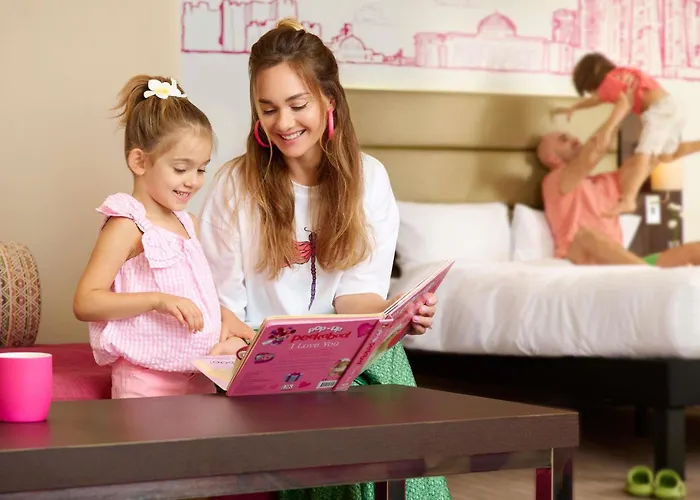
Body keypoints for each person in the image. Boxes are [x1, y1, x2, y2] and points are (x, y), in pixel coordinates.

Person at [198, 17, 452, 500]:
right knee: (343, 431)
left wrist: (397, 316)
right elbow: (222, 306)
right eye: (268, 109)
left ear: (329, 100)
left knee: (379, 396)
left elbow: (357, 300)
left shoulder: (368, 180)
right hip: (262, 363)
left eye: (298, 105)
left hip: (344, 362)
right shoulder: (235, 185)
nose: (283, 123)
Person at [73, 75, 247, 399]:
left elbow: (195, 293)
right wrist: (157, 301)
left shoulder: (188, 224)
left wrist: (223, 316)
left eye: (201, 169)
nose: (193, 181)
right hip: (145, 383)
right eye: (181, 169)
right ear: (140, 161)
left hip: (198, 377)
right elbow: (86, 302)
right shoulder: (127, 224)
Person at [536, 123, 700, 267]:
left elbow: (659, 155)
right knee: (586, 236)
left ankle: (644, 274)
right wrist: (618, 112)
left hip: (620, 265)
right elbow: (592, 154)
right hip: (578, 258)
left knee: (695, 250)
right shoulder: (553, 181)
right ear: (553, 158)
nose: (574, 139)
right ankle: (647, 275)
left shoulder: (606, 182)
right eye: (564, 140)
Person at [552, 52, 686, 217]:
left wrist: (607, 129)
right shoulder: (619, 76)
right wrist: (575, 107)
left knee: (643, 154)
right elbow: (598, 99)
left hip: (658, 110)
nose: (592, 94)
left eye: (589, 90)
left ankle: (628, 199)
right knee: (664, 155)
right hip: (674, 106)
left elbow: (624, 103)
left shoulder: (609, 82)